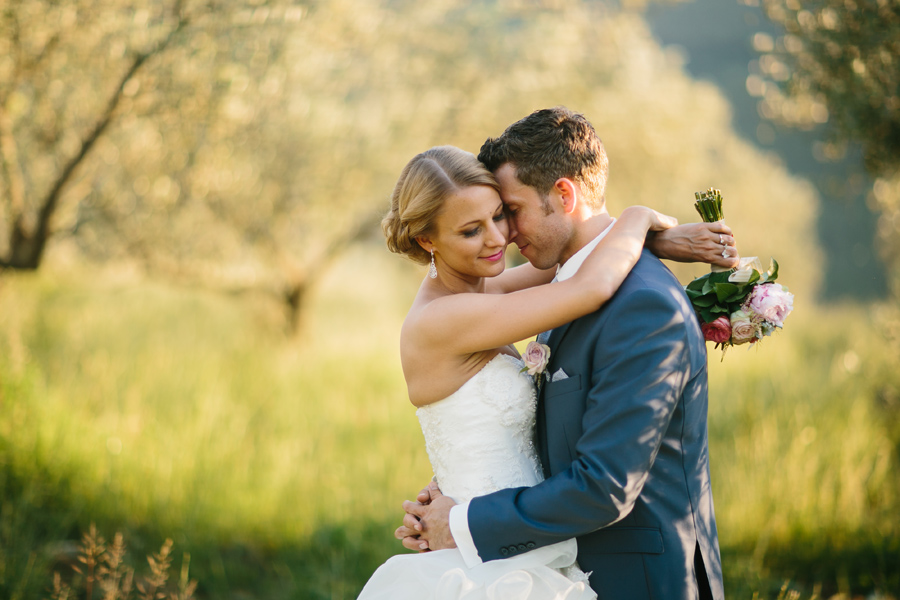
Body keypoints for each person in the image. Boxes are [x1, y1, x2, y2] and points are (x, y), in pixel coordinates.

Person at [364, 111, 735, 599]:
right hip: (494, 554)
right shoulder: (445, 318)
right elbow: (589, 283)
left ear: (562, 195)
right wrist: (639, 217)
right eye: (471, 230)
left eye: (503, 213)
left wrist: (655, 241)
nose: (501, 237)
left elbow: (576, 269)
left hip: (531, 548)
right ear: (427, 239)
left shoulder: (491, 293)